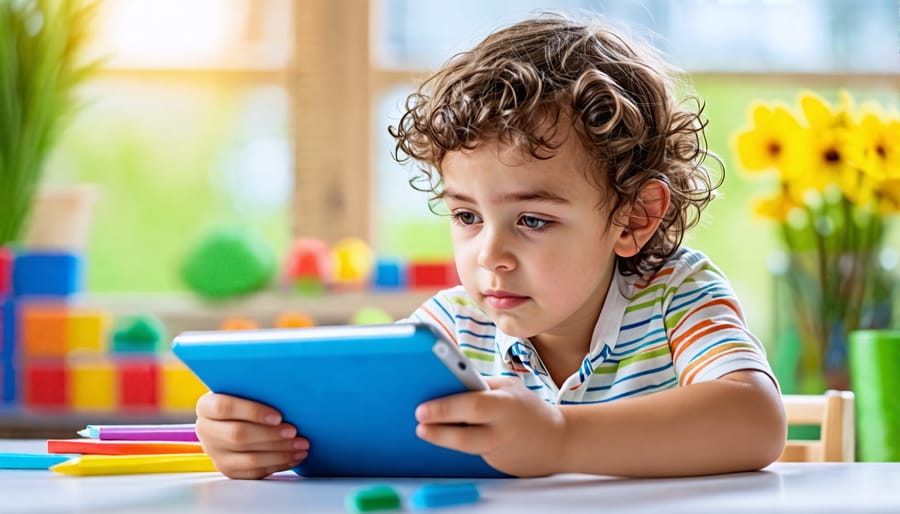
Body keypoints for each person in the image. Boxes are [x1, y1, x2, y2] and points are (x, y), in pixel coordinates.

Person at [194, 12, 786, 480]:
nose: (489, 255)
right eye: (467, 215)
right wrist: (264, 440)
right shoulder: (452, 328)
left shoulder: (676, 294)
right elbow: (379, 435)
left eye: (532, 219)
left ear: (634, 216)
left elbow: (755, 420)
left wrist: (558, 438)